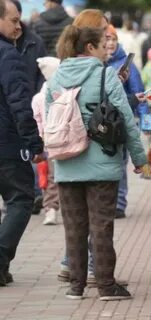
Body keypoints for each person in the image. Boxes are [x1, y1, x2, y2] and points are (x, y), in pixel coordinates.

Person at [48, 25, 146, 300]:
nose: (107, 50)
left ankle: (76, 287)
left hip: (66, 165)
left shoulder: (56, 78)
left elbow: (46, 120)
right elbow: (126, 119)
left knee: (74, 228)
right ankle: (105, 285)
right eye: (104, 45)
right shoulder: (106, 76)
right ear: (90, 48)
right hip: (102, 163)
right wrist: (139, 159)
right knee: (101, 226)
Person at [0, 0, 44, 286]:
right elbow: (20, 104)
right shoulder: (8, 56)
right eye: (14, 20)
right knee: (22, 198)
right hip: (7, 144)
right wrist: (34, 143)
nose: (19, 26)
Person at [105, 24, 147, 219]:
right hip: (104, 120)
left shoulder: (126, 64)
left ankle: (120, 203)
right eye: (107, 39)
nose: (111, 43)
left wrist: (145, 118)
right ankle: (109, 202)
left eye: (113, 39)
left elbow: (139, 91)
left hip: (124, 119)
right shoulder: (98, 63)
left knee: (121, 164)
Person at [31, 56, 61, 225]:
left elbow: (37, 121)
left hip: (47, 141)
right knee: (54, 176)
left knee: (49, 176)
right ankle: (52, 207)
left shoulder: (38, 97)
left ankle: (50, 207)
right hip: (60, 141)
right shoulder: (62, 93)